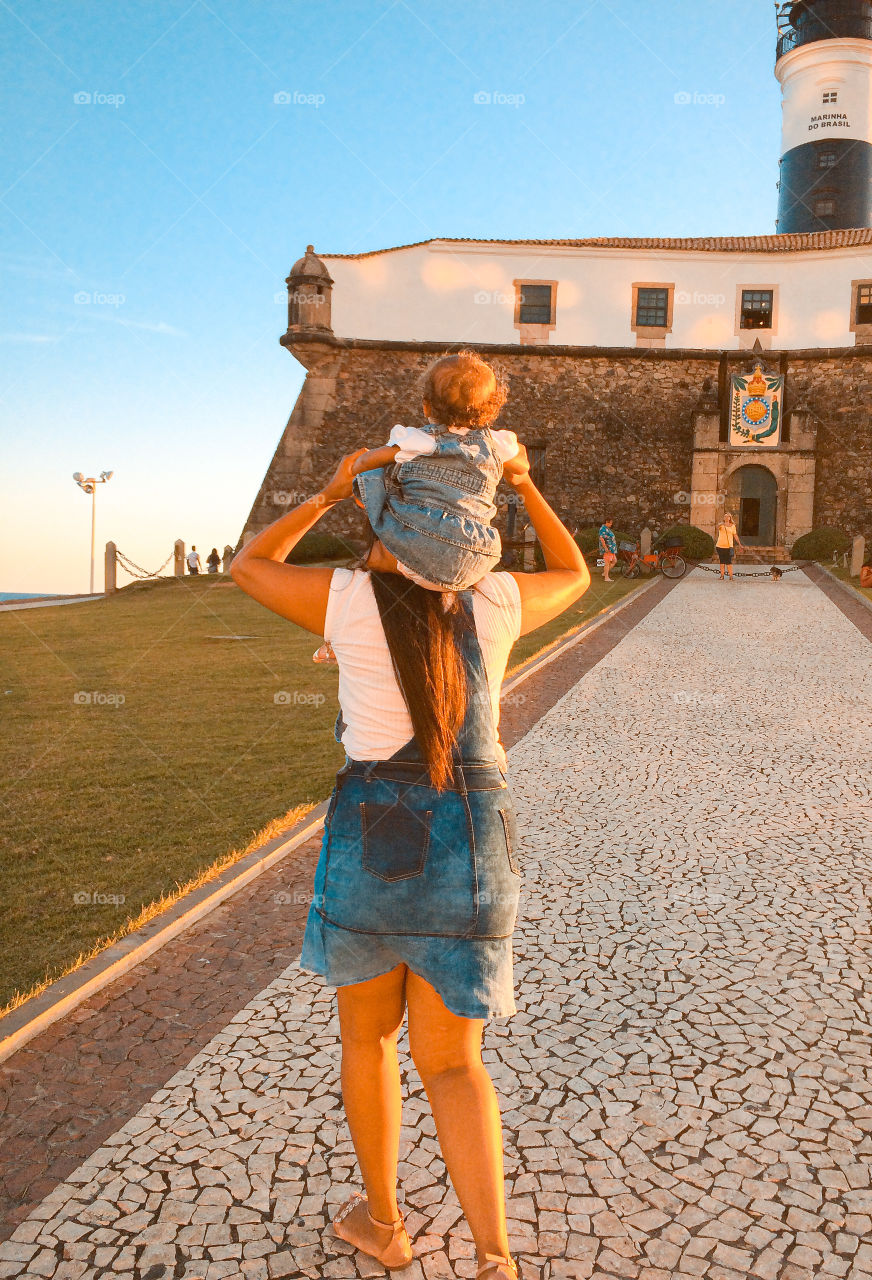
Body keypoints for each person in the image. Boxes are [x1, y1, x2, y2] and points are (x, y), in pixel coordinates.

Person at [230, 358, 590, 1280]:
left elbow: (249, 564)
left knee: (368, 1040)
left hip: (373, 832)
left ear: (389, 506)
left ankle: (386, 1225)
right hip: (476, 837)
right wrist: (523, 483)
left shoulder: (346, 597)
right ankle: (495, 1256)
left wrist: (329, 487)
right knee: (457, 1064)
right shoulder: (499, 601)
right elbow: (576, 572)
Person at [346, 350, 519, 592]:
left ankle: (374, 557)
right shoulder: (497, 443)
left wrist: (358, 464)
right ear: (492, 410)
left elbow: (365, 463)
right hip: (477, 556)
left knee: (375, 475)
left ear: (427, 406)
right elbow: (523, 465)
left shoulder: (417, 439)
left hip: (416, 543)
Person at [715, 513, 742, 581]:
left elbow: (735, 535)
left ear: (730, 518)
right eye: (725, 516)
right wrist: (720, 524)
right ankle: (722, 576)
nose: (726, 518)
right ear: (724, 518)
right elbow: (717, 528)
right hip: (720, 546)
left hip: (729, 546)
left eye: (728, 517)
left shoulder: (733, 526)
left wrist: (739, 544)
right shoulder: (721, 525)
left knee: (729, 561)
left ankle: (731, 576)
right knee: (722, 561)